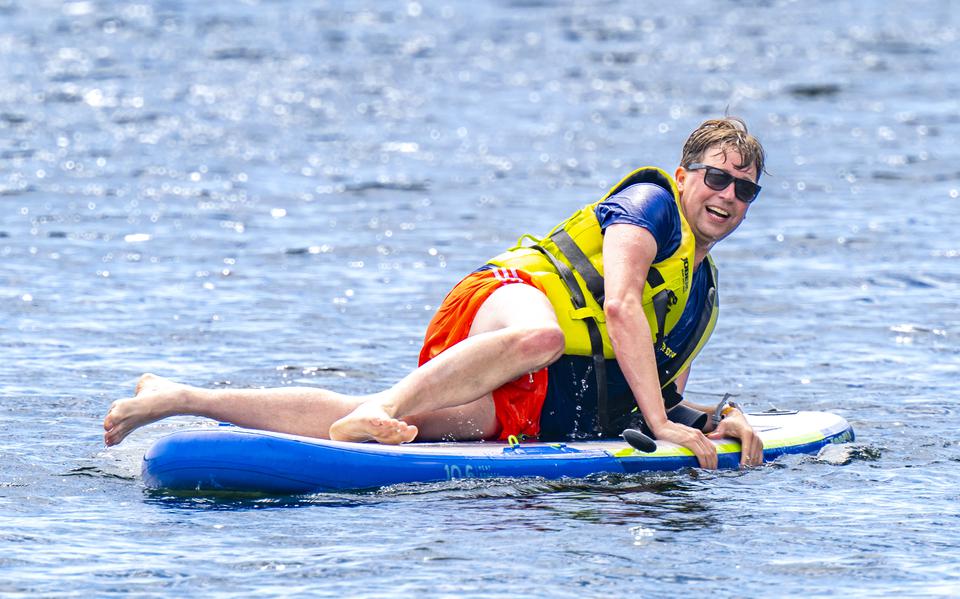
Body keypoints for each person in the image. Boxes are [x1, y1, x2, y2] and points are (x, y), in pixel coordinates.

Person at [104, 116, 766, 469]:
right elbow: (618, 305)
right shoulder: (650, 207)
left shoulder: (699, 290)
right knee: (542, 334)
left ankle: (176, 396)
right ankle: (384, 406)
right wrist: (658, 427)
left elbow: (663, 389)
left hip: (536, 388)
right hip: (508, 301)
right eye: (717, 177)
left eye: (744, 188)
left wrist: (716, 420)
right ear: (684, 175)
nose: (727, 196)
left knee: (406, 428)